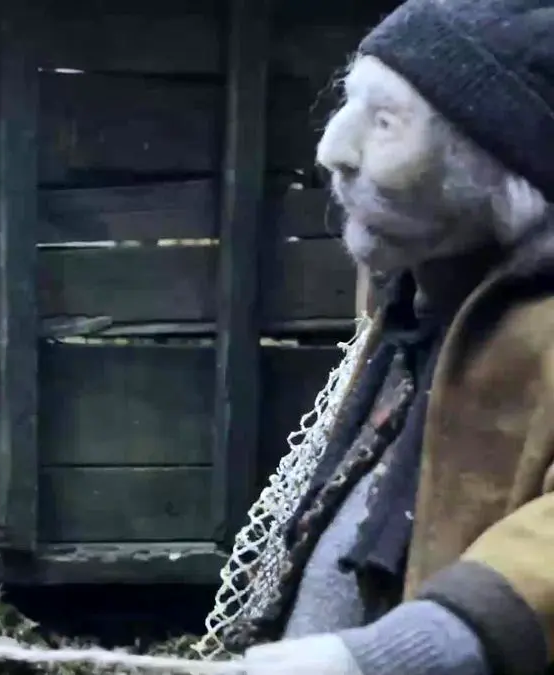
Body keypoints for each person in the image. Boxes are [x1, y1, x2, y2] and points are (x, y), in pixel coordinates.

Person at [229, 2, 554, 675]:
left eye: (384, 123)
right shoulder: (418, 305)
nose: (330, 151)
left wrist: (418, 647)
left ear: (501, 168)